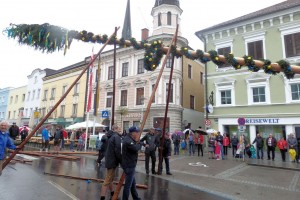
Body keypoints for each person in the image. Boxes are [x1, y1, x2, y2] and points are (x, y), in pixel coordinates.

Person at [100, 124, 122, 200]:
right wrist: (121, 160)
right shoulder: (116, 137)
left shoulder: (109, 136)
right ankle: (102, 197)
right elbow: (118, 150)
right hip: (112, 160)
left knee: (110, 179)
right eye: (119, 128)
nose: (120, 130)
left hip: (109, 159)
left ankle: (112, 194)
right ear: (115, 129)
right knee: (107, 180)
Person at [121, 126, 141, 200]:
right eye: (137, 132)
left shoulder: (130, 139)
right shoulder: (128, 140)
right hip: (129, 165)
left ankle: (136, 197)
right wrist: (140, 144)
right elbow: (135, 148)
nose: (138, 133)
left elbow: (135, 144)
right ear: (133, 133)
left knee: (132, 183)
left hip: (130, 164)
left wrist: (139, 143)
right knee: (128, 185)